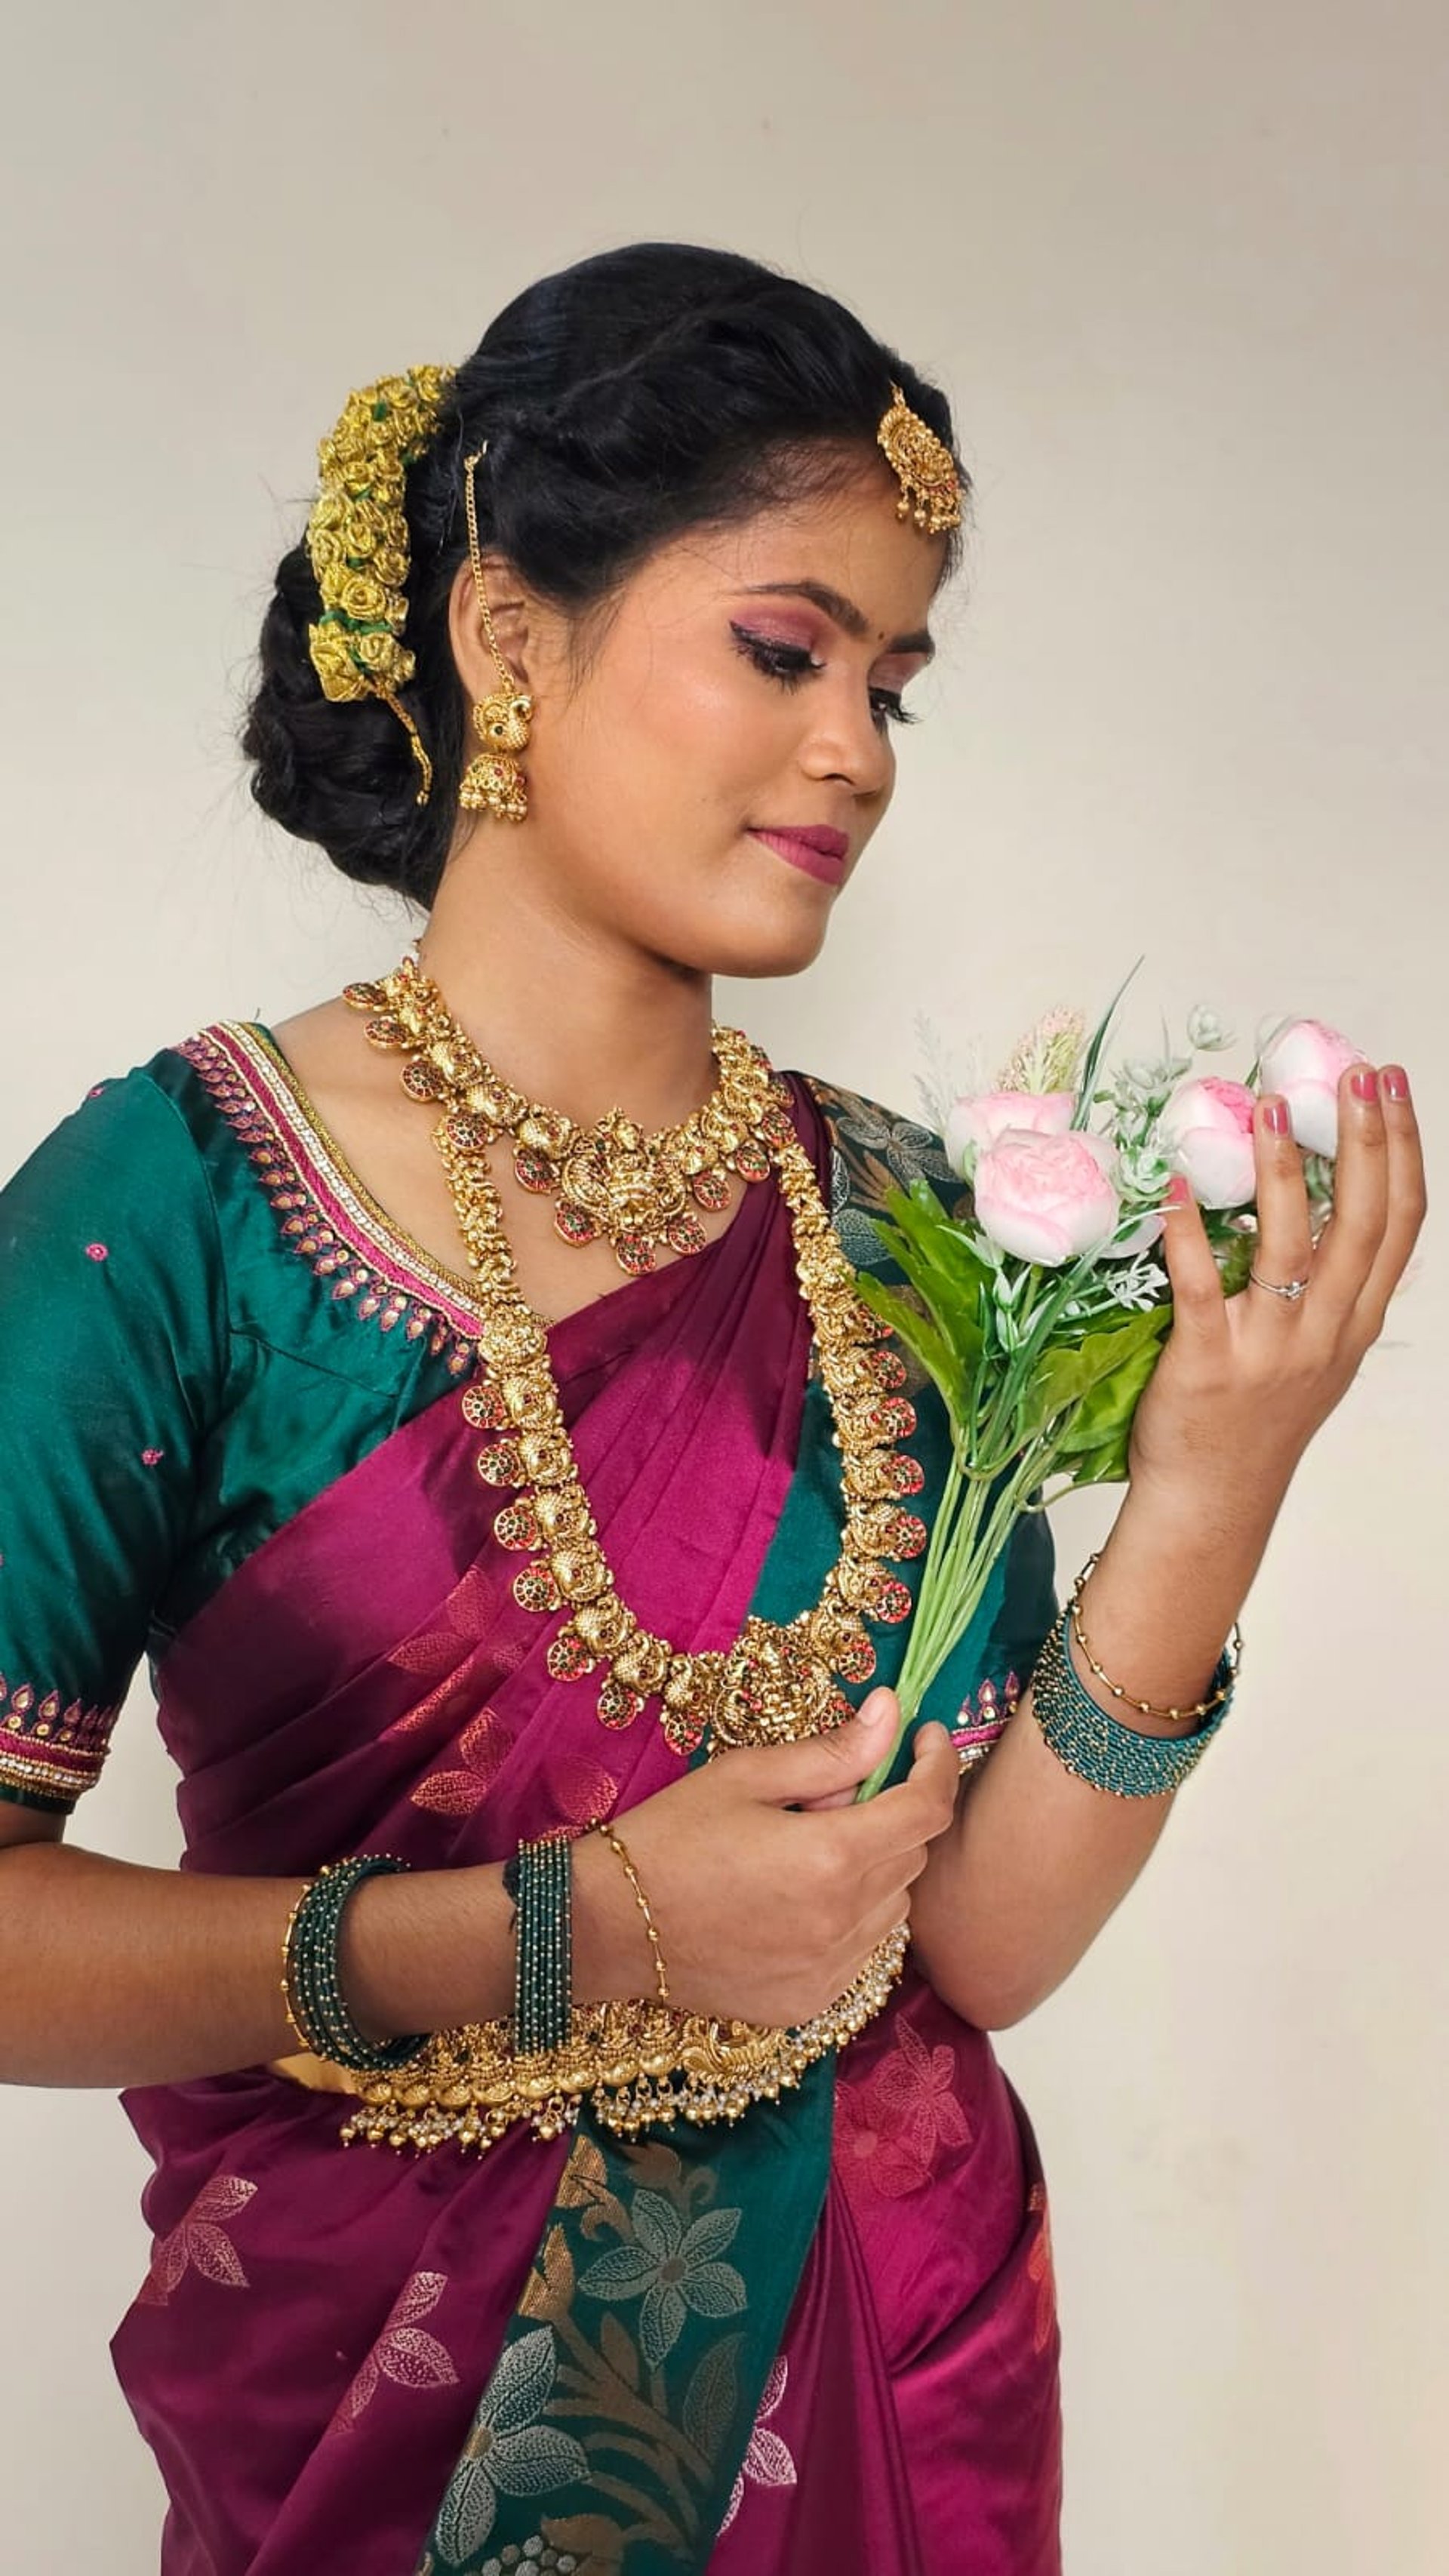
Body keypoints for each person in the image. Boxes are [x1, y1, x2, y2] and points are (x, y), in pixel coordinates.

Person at [0, 243, 1423, 2576]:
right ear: (507, 636)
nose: (857, 749)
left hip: (894, 2385)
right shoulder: (175, 1208)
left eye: (896, 681)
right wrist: (548, 1934)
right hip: (380, 2435)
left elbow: (971, 1957)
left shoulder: (905, 1227)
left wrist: (1215, 1488)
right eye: (785, 648)